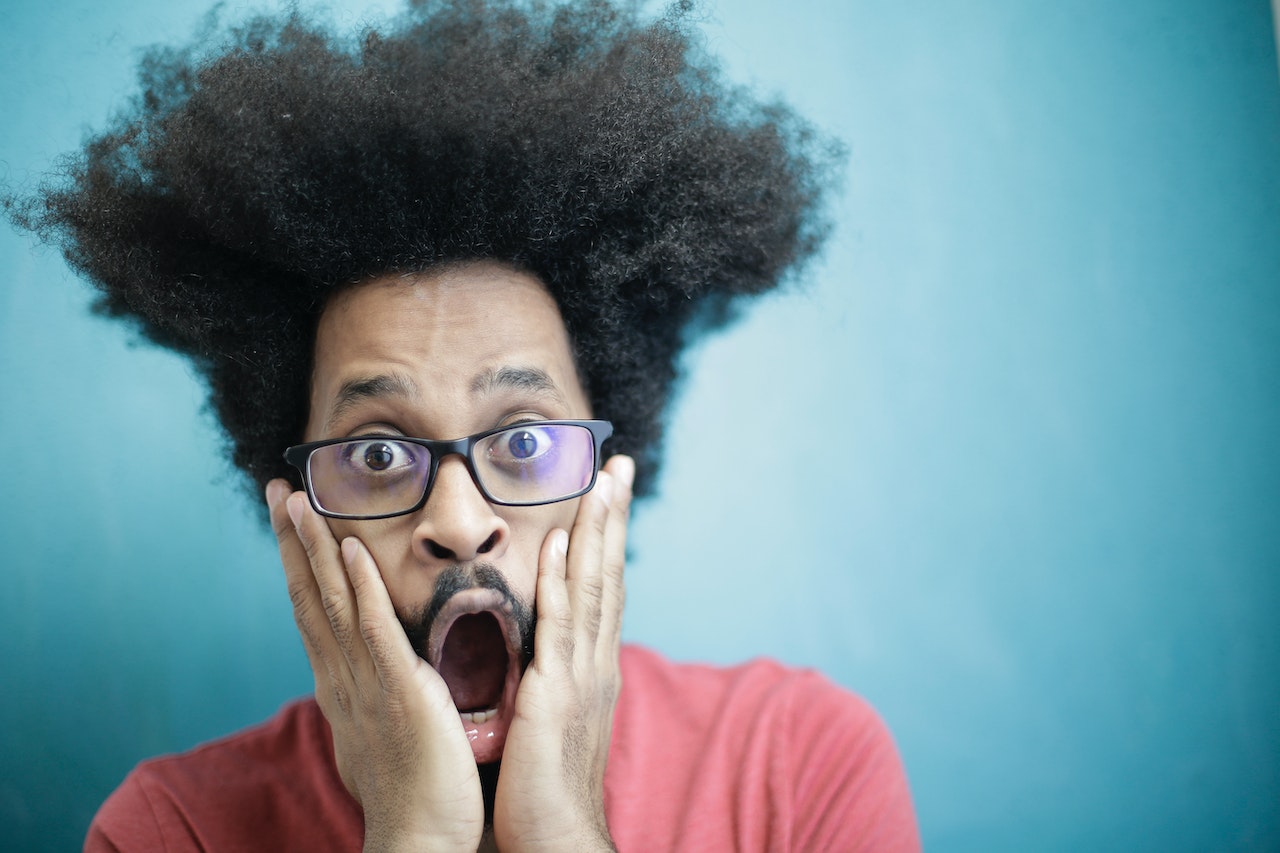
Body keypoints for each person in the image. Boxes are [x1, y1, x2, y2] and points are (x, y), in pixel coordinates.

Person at [8, 0, 920, 849]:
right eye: (377, 451)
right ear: (295, 508)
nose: (456, 521)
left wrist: (564, 828)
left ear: (610, 476)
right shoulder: (171, 829)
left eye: (522, 440)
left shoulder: (799, 766)